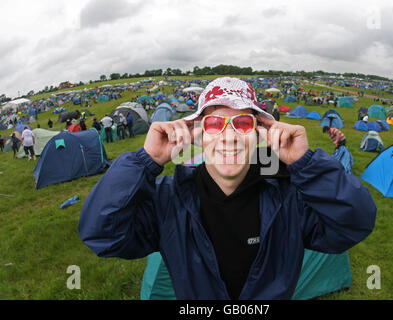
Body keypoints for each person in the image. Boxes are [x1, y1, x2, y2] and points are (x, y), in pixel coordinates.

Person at [79, 77, 377, 300]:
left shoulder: (290, 199)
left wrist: (306, 164)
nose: (229, 136)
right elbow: (102, 233)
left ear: (260, 134)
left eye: (242, 124)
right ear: (198, 135)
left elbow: (355, 222)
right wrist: (146, 161)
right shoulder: (168, 201)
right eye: (214, 124)